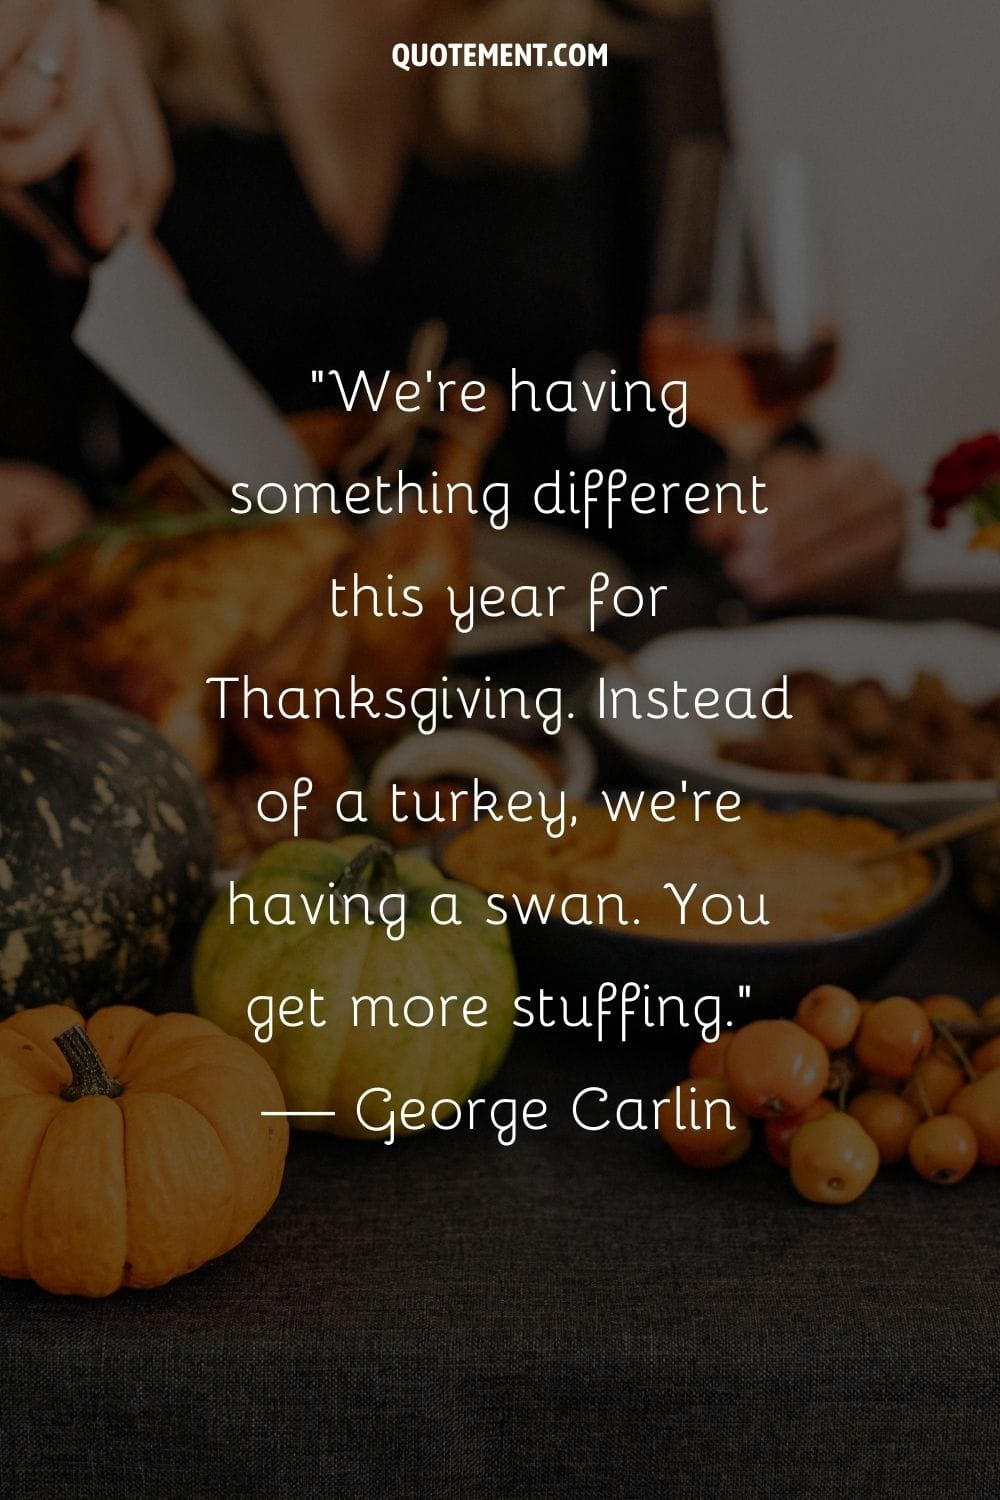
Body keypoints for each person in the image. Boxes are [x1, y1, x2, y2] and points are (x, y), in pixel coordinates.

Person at [0, 0, 904, 606]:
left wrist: (788, 502)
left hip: (548, 690)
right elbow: (27, 418)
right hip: (185, 663)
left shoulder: (623, 18)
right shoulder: (60, 29)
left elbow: (688, 413)